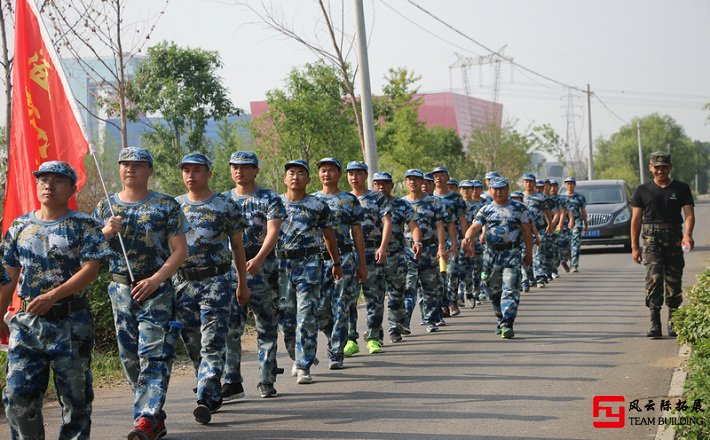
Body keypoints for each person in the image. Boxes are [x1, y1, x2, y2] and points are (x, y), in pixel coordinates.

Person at [1, 161, 110, 439]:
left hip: (71, 322)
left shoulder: (85, 225)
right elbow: (8, 275)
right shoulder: (20, 226)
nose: (49, 185)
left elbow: (90, 270)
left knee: (75, 399)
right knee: (18, 395)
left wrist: (52, 295)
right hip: (28, 324)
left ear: (72, 188)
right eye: (43, 179)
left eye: (58, 180)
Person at [93, 147, 189, 440]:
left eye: (137, 164)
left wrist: (156, 279)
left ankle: (144, 419)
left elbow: (181, 251)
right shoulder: (105, 208)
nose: (130, 169)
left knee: (154, 354)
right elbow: (87, 253)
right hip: (120, 290)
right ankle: (154, 415)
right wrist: (106, 232)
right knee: (130, 357)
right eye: (125, 164)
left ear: (150, 170)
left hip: (156, 291)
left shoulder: (165, 206)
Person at [173, 153, 250, 424]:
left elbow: (238, 246)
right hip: (183, 284)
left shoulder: (224, 205)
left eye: (196, 170)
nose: (190, 175)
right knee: (193, 342)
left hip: (217, 283)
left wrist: (242, 282)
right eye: (186, 170)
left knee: (212, 341)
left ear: (208, 173)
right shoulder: (174, 207)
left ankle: (205, 396)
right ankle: (211, 387)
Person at [222, 151, 285, 399]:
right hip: (231, 270)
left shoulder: (269, 198)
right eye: (235, 166)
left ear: (256, 170)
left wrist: (258, 259)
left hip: (263, 268)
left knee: (266, 326)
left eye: (246, 167)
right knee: (231, 328)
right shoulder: (224, 200)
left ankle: (267, 379)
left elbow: (273, 231)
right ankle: (231, 380)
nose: (240, 171)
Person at [277, 159, 342, 384]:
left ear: (308, 179)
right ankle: (297, 356)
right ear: (285, 179)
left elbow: (329, 236)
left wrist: (336, 262)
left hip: (309, 264)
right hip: (281, 266)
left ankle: (304, 363)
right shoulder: (275, 204)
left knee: (306, 315)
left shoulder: (317, 205)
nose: (295, 177)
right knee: (286, 318)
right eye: (291, 173)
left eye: (300, 173)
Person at [630, 152, 695, 338]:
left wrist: (687, 235)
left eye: (664, 167)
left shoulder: (681, 188)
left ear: (670, 168)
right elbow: (636, 220)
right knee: (654, 279)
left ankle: (673, 321)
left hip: (674, 238)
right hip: (652, 240)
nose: (660, 170)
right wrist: (634, 246)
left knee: (674, 280)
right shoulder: (642, 190)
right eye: (657, 167)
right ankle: (654, 322)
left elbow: (689, 214)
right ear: (651, 168)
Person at [462, 177, 532, 339]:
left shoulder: (519, 209)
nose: (499, 192)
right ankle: (500, 318)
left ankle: (508, 322)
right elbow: (474, 226)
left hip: (512, 254)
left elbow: (527, 232)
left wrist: (528, 253)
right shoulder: (486, 209)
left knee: (510, 287)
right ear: (491, 191)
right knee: (493, 291)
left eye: (502, 189)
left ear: (507, 189)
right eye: (495, 189)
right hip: (491, 255)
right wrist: (468, 238)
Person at [313, 157, 367, 369]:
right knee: (320, 309)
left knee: (341, 305)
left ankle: (336, 351)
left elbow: (357, 233)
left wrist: (362, 263)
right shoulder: (312, 200)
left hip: (344, 258)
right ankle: (333, 337)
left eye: (331, 170)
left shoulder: (349, 201)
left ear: (339, 174)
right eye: (323, 170)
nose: (326, 174)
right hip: (316, 260)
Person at [344, 161, 392, 356]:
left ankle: (373, 337)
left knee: (375, 297)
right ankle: (350, 338)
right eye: (351, 173)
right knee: (348, 299)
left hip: (373, 251)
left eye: (358, 173)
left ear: (365, 175)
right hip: (349, 253)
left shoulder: (377, 197)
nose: (354, 177)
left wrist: (383, 246)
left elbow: (387, 221)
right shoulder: (343, 198)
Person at [372, 171, 422, 343]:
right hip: (373, 257)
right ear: (373, 186)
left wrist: (417, 242)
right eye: (377, 183)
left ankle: (394, 327)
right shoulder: (367, 204)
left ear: (391, 186)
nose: (381, 186)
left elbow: (414, 225)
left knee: (397, 293)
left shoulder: (401, 205)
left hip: (396, 256)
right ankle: (375, 332)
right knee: (375, 296)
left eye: (384, 183)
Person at [402, 169, 448, 333]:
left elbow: (440, 225)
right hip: (408, 250)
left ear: (423, 182)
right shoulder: (401, 203)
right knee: (409, 286)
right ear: (405, 182)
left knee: (430, 286)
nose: (412, 182)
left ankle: (429, 319)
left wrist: (441, 246)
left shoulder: (433, 202)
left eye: (416, 179)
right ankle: (404, 322)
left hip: (429, 248)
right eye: (409, 179)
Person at [432, 167, 466, 318]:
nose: (438, 178)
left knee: (452, 272)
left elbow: (462, 219)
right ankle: (443, 304)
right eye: (436, 176)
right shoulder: (429, 197)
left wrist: (466, 239)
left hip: (452, 238)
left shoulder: (456, 198)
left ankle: (452, 300)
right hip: (433, 241)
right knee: (438, 274)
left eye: (441, 176)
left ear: (447, 177)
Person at [522, 174, 552, 288]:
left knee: (536, 253)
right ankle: (529, 278)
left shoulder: (540, 197)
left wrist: (549, 224)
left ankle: (540, 277)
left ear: (534, 183)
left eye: (530, 182)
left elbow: (547, 211)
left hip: (539, 228)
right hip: (524, 230)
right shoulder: (518, 197)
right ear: (523, 183)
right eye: (526, 182)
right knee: (525, 254)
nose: (528, 184)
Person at [459, 180, 485, 307]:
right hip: (460, 240)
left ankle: (475, 293)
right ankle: (460, 293)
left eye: (469, 188)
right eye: (463, 188)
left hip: (476, 240)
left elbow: (483, 222)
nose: (466, 190)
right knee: (459, 269)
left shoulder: (479, 205)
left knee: (476, 268)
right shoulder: (458, 204)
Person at [562, 176, 587, 272]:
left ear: (575, 185)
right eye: (568, 183)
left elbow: (583, 211)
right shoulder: (561, 197)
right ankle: (564, 260)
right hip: (564, 223)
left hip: (577, 222)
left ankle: (574, 265)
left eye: (571, 183)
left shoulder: (580, 197)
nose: (570, 185)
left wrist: (586, 224)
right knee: (564, 244)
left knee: (575, 243)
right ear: (565, 185)